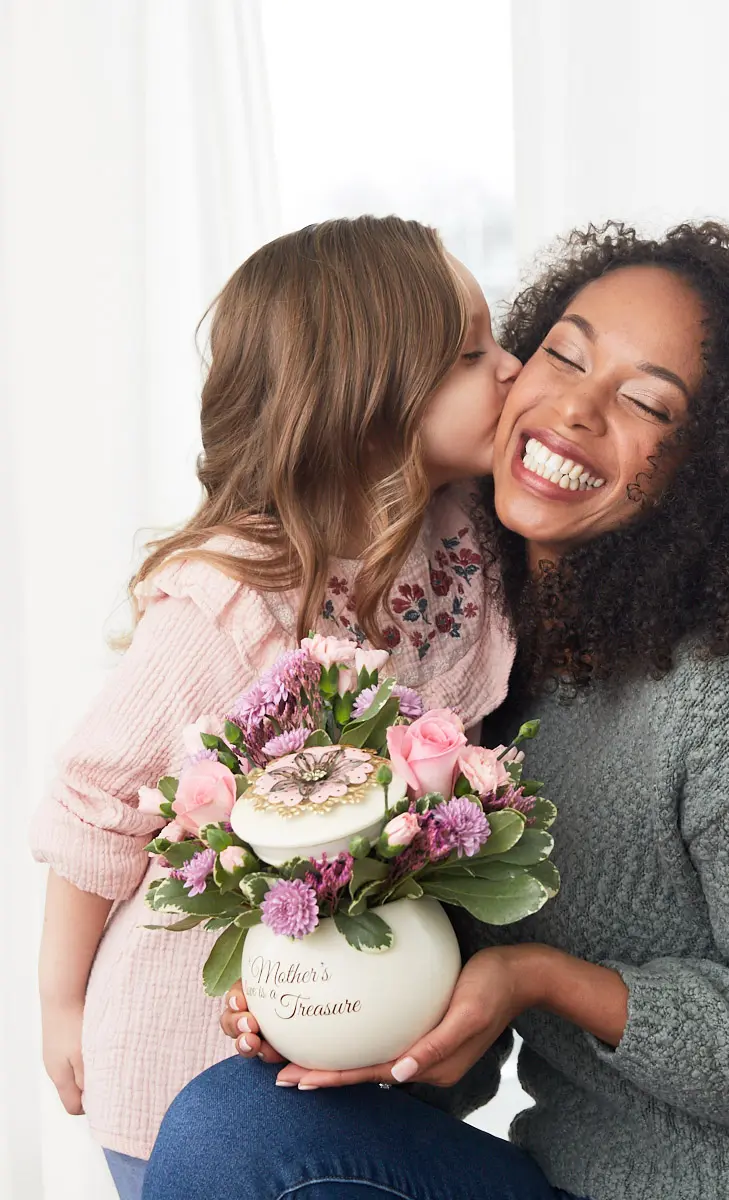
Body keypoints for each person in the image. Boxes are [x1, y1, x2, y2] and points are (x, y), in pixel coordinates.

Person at [144, 221, 729, 1200]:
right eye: (564, 355)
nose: (576, 409)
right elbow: (457, 1062)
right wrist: (331, 1012)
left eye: (643, 402)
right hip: (579, 1185)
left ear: (713, 469)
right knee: (241, 1122)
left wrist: (543, 982)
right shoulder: (486, 678)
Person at [29, 215, 521, 1200]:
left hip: (359, 1054)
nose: (512, 369)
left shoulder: (469, 544)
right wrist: (59, 1008)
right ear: (368, 404)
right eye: (472, 354)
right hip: (183, 1065)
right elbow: (99, 799)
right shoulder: (235, 598)